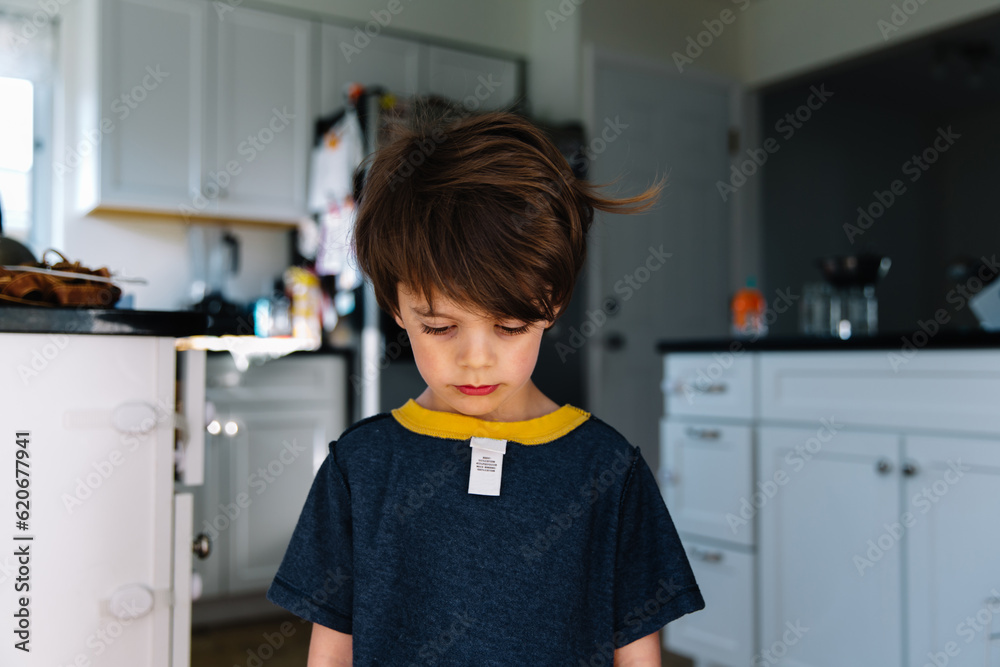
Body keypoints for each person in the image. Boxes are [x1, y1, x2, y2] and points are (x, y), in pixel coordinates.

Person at [265, 98, 705, 666]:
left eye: (510, 326)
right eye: (441, 327)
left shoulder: (609, 472)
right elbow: (331, 650)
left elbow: (638, 653)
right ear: (396, 307)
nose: (476, 360)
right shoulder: (359, 468)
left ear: (554, 303)